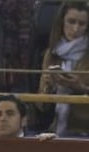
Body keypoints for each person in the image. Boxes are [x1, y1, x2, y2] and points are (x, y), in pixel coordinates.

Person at [37, 1, 89, 137]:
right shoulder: (52, 53)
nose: (75, 29)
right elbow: (40, 105)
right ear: (61, 22)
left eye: (81, 24)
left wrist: (81, 87)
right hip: (56, 129)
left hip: (84, 130)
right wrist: (48, 86)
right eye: (71, 22)